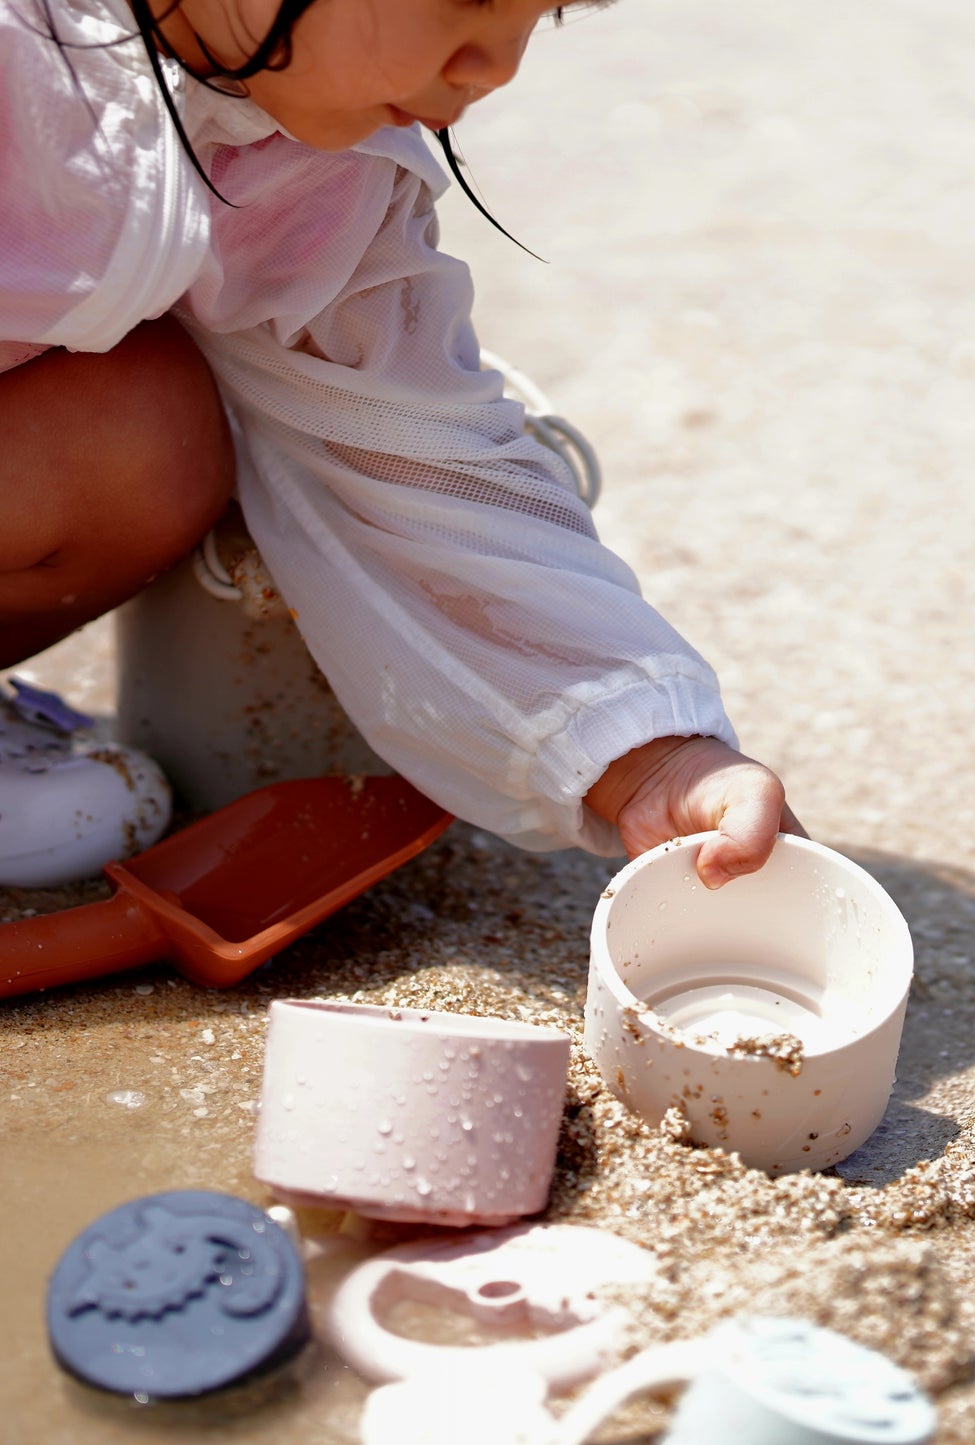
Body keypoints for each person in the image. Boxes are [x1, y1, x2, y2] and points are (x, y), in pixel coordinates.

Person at [0, 0, 801, 890]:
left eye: (548, 13)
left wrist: (644, 752)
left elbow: (417, 454)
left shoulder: (307, 167)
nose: (500, 67)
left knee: (143, 433)